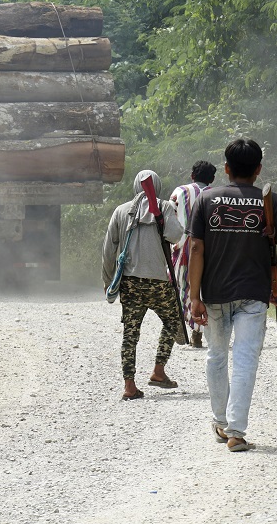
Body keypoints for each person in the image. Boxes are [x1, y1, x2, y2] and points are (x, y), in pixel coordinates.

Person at [188, 139, 277, 452]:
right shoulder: (269, 201)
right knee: (246, 358)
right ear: (258, 169)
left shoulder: (206, 199)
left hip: (214, 293)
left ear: (226, 169)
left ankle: (220, 421)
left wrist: (194, 296)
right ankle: (235, 431)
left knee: (217, 355)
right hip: (254, 294)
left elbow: (196, 248)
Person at [102, 170, 184, 401]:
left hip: (130, 283)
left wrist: (108, 281)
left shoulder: (121, 211)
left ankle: (129, 386)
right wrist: (173, 212)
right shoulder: (165, 207)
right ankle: (158, 371)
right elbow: (176, 237)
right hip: (158, 283)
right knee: (173, 321)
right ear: (156, 186)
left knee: (130, 333)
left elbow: (109, 250)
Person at [170, 160, 217, 348]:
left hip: (181, 248)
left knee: (180, 287)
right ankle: (197, 331)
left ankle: (181, 321)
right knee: (200, 290)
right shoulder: (215, 195)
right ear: (212, 179)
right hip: (207, 250)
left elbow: (169, 218)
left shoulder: (179, 192)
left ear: (192, 175)